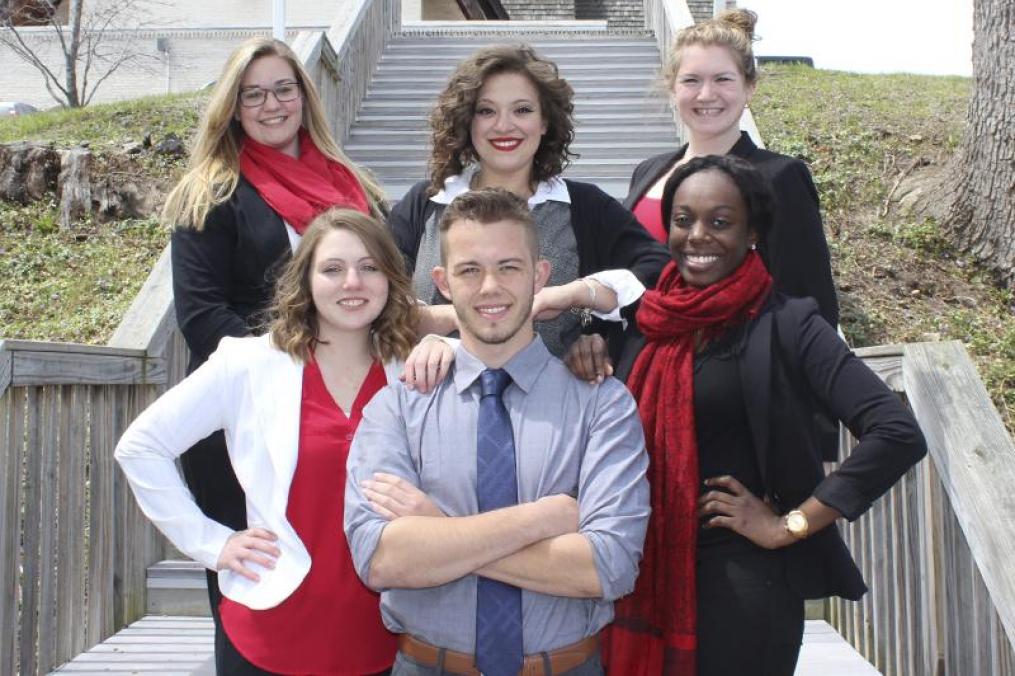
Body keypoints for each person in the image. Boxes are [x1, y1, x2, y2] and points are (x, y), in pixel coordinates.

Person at [159, 37, 449, 660]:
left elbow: (385, 291)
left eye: (283, 89)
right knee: (253, 580)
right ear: (232, 107)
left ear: (304, 96)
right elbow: (202, 315)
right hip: (248, 417)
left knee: (348, 563)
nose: (271, 105)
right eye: (253, 94)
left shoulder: (351, 185)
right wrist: (289, 369)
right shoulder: (211, 193)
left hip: (347, 400)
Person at [592, 155, 926, 675]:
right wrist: (586, 342)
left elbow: (896, 432)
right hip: (642, 569)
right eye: (683, 220)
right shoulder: (645, 322)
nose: (697, 236)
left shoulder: (789, 324)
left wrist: (790, 524)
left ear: (752, 233)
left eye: (720, 222)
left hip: (744, 585)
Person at [116, 208, 455, 675]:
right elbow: (140, 447)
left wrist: (446, 343)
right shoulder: (250, 364)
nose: (352, 282)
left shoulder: (413, 368)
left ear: (391, 280)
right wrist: (213, 543)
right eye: (332, 269)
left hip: (386, 631)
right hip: (272, 627)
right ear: (306, 281)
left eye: (369, 267)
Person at [345, 188, 651, 676]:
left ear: (540, 275)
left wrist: (437, 528)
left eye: (509, 267)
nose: (490, 287)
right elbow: (381, 560)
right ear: (443, 283)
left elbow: (608, 566)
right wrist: (546, 518)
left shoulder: (601, 405)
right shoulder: (398, 406)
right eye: (470, 270)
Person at [387, 44, 670, 360]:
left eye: (522, 110)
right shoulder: (424, 204)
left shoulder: (586, 207)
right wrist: (458, 317)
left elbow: (661, 273)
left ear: (545, 121)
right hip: (433, 390)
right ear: (467, 121)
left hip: (552, 390)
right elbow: (375, 290)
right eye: (486, 111)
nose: (504, 125)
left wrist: (579, 299)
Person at [623, 9, 839, 328]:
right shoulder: (647, 171)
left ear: (749, 86)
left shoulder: (779, 177)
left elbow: (810, 305)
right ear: (673, 88)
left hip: (730, 355)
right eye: (691, 80)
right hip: (639, 352)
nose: (706, 94)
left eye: (722, 79)